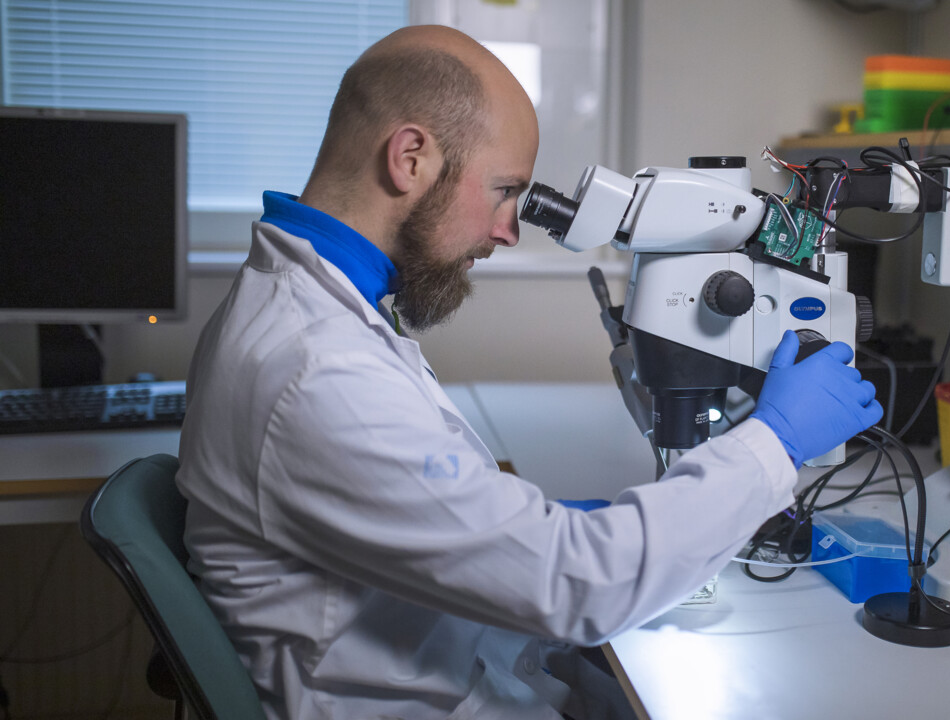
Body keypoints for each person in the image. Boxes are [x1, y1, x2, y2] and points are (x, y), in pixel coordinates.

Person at [176, 25, 883, 720]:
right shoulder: (316, 369)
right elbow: (578, 587)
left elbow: (457, 530)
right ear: (411, 158)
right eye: (505, 190)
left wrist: (579, 525)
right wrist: (776, 439)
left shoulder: (316, 307)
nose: (509, 229)